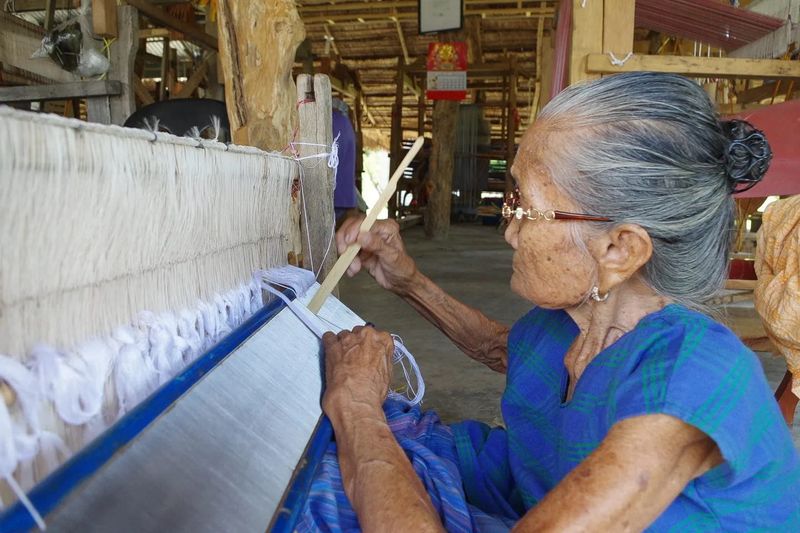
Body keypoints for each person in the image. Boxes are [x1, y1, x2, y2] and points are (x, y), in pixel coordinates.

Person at [301, 73, 800, 532]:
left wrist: (356, 404)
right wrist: (406, 280)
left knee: (326, 490)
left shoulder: (695, 378)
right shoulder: (567, 327)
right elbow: (506, 350)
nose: (510, 230)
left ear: (619, 250)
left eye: (527, 208)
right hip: (525, 494)